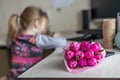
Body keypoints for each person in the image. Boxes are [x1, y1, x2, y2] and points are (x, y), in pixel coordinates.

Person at [7, 6, 67, 78]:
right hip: (30, 77)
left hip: (14, 77)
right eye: (44, 26)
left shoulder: (15, 36)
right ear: (37, 23)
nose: (44, 29)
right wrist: (55, 38)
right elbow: (62, 42)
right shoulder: (37, 39)